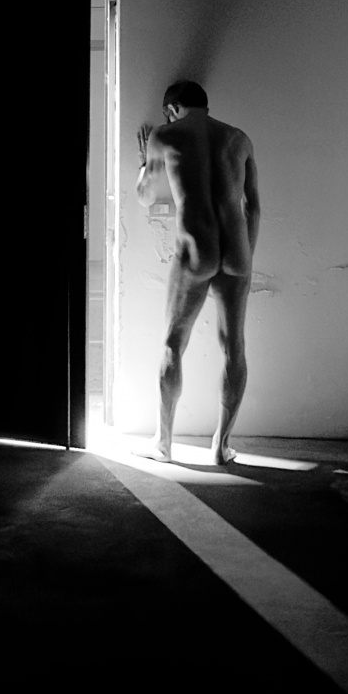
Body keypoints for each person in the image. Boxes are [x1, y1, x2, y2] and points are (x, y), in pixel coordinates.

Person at [134, 80, 260, 465]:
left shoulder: (164, 135)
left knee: (173, 344)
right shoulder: (239, 139)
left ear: (172, 109)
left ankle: (163, 444)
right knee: (234, 347)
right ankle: (221, 447)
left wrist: (144, 162)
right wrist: (246, 255)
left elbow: (145, 196)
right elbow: (253, 206)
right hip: (237, 251)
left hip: (195, 250)